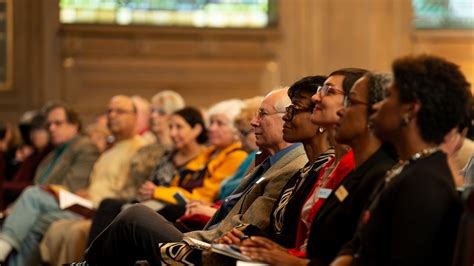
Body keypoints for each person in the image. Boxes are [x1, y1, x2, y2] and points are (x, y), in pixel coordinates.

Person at [82, 88, 308, 265]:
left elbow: (244, 228)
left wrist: (192, 237)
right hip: (206, 236)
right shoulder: (267, 160)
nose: (253, 122)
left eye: (263, 114)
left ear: (286, 117)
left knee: (135, 216)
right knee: (127, 217)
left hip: (212, 253)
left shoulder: (289, 166)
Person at [239, 72, 397, 265]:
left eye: (329, 92)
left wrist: (293, 260)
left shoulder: (372, 169)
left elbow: (353, 249)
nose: (316, 98)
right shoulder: (324, 167)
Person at [332, 55, 472, 266]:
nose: (377, 106)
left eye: (388, 96)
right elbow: (359, 243)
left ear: (410, 109)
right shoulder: (409, 168)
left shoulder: (425, 183)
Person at [3, 95, 145, 265]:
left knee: (32, 194)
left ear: (135, 117)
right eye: (109, 111)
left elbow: (129, 190)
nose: (112, 115)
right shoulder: (106, 151)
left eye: (119, 111)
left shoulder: (141, 148)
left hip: (102, 208)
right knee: (36, 223)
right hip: (85, 201)